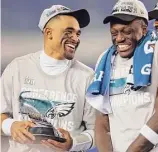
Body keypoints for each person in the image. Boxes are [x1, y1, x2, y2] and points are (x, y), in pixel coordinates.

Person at [0, 5, 96, 152]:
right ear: (49, 33)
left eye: (78, 34)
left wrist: (74, 143)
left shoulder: (87, 77)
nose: (75, 39)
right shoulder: (17, 68)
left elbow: (99, 131)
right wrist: (11, 126)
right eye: (69, 32)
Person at [86, 0, 158, 152]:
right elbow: (102, 123)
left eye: (127, 31)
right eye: (114, 33)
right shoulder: (105, 60)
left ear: (143, 28)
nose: (119, 38)